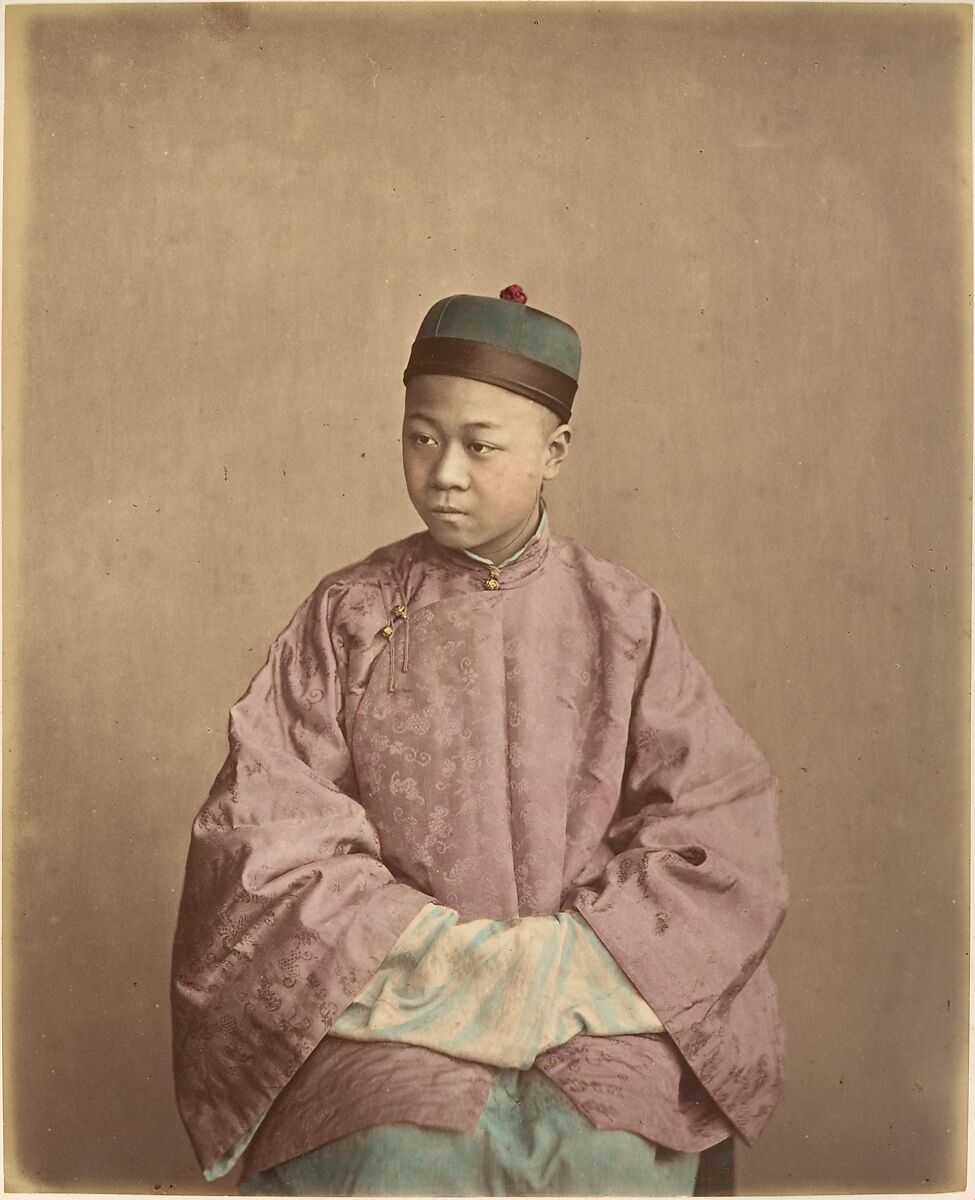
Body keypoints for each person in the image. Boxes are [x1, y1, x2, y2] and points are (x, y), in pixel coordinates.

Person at [171, 285, 788, 1196]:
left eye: (480, 444)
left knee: (606, 1155)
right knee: (400, 1158)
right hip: (398, 1008)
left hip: (589, 1002)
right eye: (422, 437)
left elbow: (713, 826)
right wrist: (444, 960)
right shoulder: (348, 613)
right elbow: (266, 828)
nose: (444, 471)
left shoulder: (622, 618)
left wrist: (557, 964)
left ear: (554, 452)